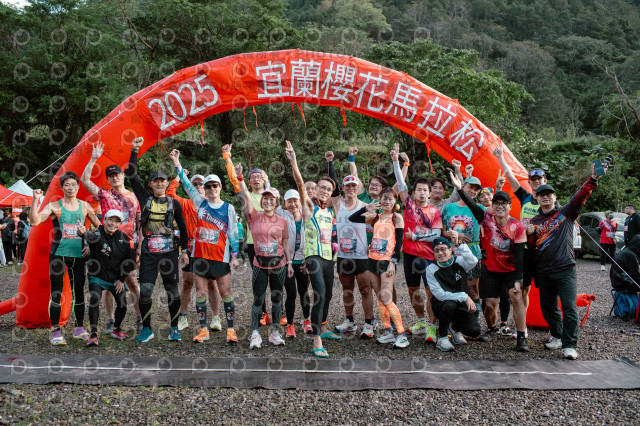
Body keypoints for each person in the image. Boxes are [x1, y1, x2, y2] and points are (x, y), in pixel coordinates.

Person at [527, 163, 605, 360]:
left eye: (549, 194)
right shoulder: (534, 222)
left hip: (565, 268)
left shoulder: (566, 213)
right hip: (544, 271)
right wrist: (528, 235)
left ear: (555, 197)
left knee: (569, 307)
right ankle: (557, 335)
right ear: (537, 199)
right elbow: (531, 248)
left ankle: (570, 345)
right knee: (548, 308)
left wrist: (593, 179)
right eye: (541, 195)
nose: (545, 197)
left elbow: (580, 196)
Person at [450, 173, 529, 351]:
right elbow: (471, 205)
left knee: (516, 297)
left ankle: (521, 336)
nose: (500, 206)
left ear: (510, 206)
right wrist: (459, 188)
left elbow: (519, 255)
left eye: (504, 203)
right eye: (497, 203)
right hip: (491, 269)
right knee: (489, 304)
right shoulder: (486, 219)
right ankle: (492, 328)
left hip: (511, 270)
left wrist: (518, 279)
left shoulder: (517, 226)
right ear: (492, 206)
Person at [225, 146, 293, 348]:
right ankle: (255, 333)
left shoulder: (282, 221)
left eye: (272, 199)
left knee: (277, 298)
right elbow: (246, 194)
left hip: (279, 264)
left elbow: (285, 242)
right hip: (260, 264)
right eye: (265, 199)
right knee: (258, 299)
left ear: (276, 202)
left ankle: (275, 333)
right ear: (261, 201)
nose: (268, 202)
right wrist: (240, 177)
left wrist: (289, 263)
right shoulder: (254, 216)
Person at [170, 147, 240, 344]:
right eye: (208, 186)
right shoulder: (200, 202)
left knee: (226, 293)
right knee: (200, 292)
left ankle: (231, 329)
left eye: (214, 185)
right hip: (200, 256)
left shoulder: (228, 208)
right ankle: (202, 329)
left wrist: (235, 256)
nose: (211, 189)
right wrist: (176, 161)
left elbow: (233, 233)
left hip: (220, 256)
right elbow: (185, 183)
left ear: (220, 187)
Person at [126, 138, 189, 343]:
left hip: (169, 251)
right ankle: (146, 329)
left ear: (167, 183)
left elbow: (184, 229)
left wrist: (185, 251)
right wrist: (135, 149)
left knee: (172, 290)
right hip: (149, 252)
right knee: (145, 290)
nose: (160, 183)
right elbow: (132, 174)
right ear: (151, 184)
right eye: (156, 180)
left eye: (163, 180)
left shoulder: (175, 204)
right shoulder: (145, 199)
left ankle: (174, 328)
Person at [30, 171, 101, 345]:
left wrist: (88, 243)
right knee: (56, 292)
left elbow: (99, 229)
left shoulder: (85, 206)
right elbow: (34, 221)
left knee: (79, 293)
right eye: (67, 184)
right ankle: (56, 331)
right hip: (59, 255)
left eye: (74, 184)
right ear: (62, 187)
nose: (71, 187)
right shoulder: (54, 206)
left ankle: (79, 328)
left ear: (78, 187)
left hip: (79, 255)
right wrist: (35, 200)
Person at [81, 142, 143, 334]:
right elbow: (84, 180)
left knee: (131, 280)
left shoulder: (133, 197)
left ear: (123, 176)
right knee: (107, 282)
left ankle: (140, 317)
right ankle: (110, 319)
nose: (115, 178)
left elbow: (140, 222)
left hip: (128, 244)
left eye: (118, 174)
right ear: (108, 179)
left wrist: (140, 246)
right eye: (111, 176)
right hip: (106, 244)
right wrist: (93, 158)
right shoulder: (104, 195)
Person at [285, 140, 339, 358]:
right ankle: (316, 340)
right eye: (322, 187)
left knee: (328, 295)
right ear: (316, 190)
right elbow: (300, 184)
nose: (325, 191)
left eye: (329, 189)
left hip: (328, 258)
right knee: (319, 294)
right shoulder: (309, 206)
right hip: (313, 257)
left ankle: (322, 327)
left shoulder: (329, 212)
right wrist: (294, 161)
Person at [493, 145, 552, 339]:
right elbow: (510, 175)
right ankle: (523, 327)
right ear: (530, 182)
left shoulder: (551, 202)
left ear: (545, 181)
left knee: (547, 290)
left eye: (539, 179)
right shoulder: (525, 197)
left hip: (543, 251)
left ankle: (554, 330)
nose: (536, 182)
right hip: (525, 250)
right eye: (532, 180)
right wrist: (500, 157)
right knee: (523, 289)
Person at [349, 170, 409, 349]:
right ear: (380, 201)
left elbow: (399, 242)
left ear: (394, 201)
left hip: (386, 261)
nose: (387, 201)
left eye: (390, 199)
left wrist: (394, 261)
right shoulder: (375, 217)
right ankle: (388, 331)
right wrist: (366, 207)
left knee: (386, 296)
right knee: (380, 298)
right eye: (384, 199)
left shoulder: (397, 218)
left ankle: (401, 334)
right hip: (372, 259)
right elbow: (353, 218)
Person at [390, 145, 443, 343]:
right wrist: (396, 161)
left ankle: (432, 326)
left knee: (431, 292)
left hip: (428, 257)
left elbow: (436, 234)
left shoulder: (435, 211)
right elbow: (400, 183)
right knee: (413, 291)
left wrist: (416, 237)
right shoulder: (409, 205)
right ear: (414, 192)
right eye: (418, 190)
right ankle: (421, 321)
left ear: (429, 194)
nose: (421, 192)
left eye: (425, 190)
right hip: (410, 255)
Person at [326, 151, 375, 339]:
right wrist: (330, 162)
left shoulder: (364, 205)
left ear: (358, 187)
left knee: (365, 290)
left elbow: (375, 227)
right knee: (347, 289)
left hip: (362, 255)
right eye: (347, 186)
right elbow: (333, 183)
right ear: (343, 188)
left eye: (354, 185)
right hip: (344, 255)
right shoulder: (337, 203)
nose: (351, 188)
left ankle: (369, 323)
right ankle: (349, 320)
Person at [166, 171, 222, 333]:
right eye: (195, 184)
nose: (198, 186)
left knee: (211, 283)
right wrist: (178, 176)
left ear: (206, 187)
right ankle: (183, 317)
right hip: (190, 246)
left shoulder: (213, 204)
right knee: (187, 282)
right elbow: (169, 195)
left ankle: (216, 317)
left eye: (201, 184)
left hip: (208, 246)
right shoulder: (185, 203)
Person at [78, 209, 136, 346]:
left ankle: (116, 329)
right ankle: (93, 335)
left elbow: (128, 261)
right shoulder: (98, 233)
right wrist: (83, 233)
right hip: (97, 275)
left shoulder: (123, 238)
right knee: (94, 298)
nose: (113, 223)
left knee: (122, 304)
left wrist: (121, 279)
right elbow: (91, 237)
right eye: (110, 220)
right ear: (104, 220)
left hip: (115, 277)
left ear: (120, 224)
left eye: (116, 221)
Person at [427, 237, 481, 351]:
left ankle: (454, 328)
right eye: (436, 251)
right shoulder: (431, 269)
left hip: (461, 306)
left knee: (474, 331)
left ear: (450, 249)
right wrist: (464, 296)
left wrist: (459, 244)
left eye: (443, 249)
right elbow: (440, 294)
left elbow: (473, 261)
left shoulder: (459, 261)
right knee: (449, 304)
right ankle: (442, 337)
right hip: (442, 305)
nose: (440, 253)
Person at [441, 175, 484, 316]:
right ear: (463, 186)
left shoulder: (479, 208)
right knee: (453, 286)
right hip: (452, 252)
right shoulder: (449, 208)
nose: (473, 191)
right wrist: (455, 235)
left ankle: (474, 320)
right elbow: (442, 231)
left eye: (476, 189)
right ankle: (454, 320)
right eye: (470, 187)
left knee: (472, 288)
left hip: (472, 251)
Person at [278, 189, 312, 337]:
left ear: (300, 202)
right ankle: (290, 325)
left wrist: (309, 258)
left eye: (295, 201)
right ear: (284, 203)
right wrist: (266, 182)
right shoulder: (282, 214)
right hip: (288, 261)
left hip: (303, 260)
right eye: (289, 201)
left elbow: (312, 238)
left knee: (304, 291)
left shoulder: (306, 215)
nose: (292, 204)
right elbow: (271, 197)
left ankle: (306, 320)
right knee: (291, 293)